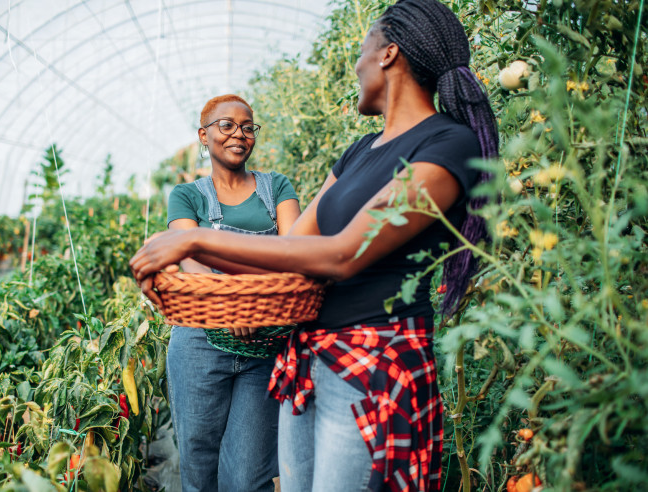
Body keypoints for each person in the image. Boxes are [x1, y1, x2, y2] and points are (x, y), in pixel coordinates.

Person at [132, 0, 497, 490]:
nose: (356, 66)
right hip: (308, 360)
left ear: (388, 54)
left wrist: (195, 237)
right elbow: (293, 249)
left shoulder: (447, 145)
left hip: (373, 365)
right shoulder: (360, 152)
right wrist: (181, 249)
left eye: (362, 52)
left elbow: (343, 254)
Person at [164, 94, 301, 492]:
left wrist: (259, 309)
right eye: (226, 126)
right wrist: (229, 307)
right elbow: (188, 256)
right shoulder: (187, 195)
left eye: (247, 127)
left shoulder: (276, 188)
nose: (239, 134)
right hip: (199, 342)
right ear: (203, 136)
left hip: (264, 342)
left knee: (248, 476)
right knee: (198, 458)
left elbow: (294, 251)